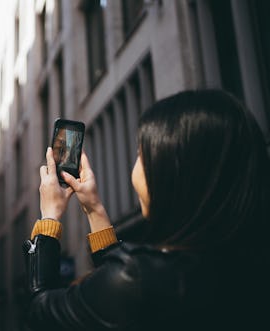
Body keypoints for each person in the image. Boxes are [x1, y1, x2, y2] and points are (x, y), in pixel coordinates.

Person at [23, 89, 270, 331]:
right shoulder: (248, 267)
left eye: (141, 154)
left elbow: (40, 313)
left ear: (170, 171)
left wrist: (50, 217)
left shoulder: (136, 278)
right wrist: (94, 208)